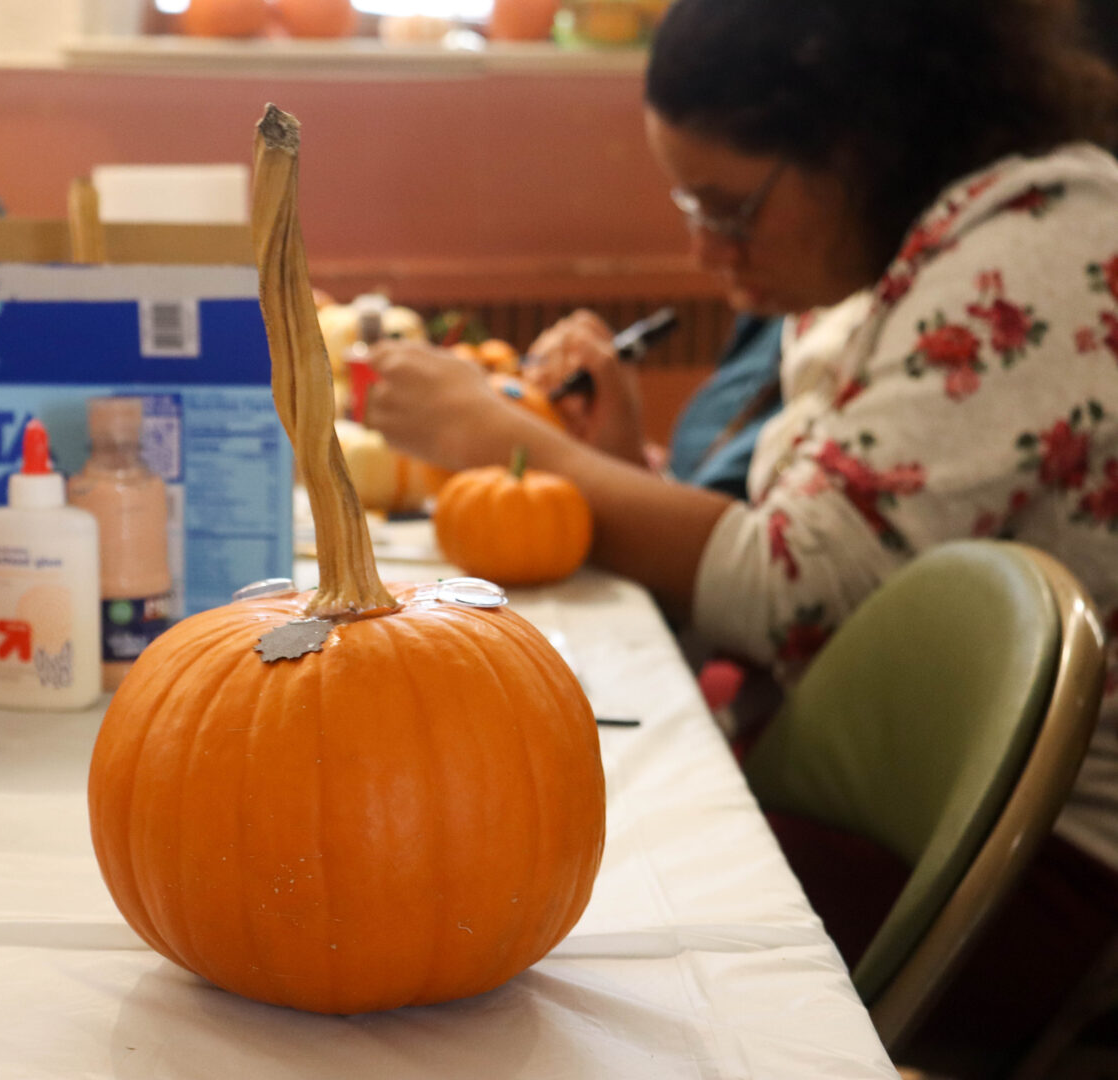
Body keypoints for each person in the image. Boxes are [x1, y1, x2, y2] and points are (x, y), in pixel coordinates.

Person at [363, 0, 1118, 1069]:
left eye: (729, 208)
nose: (705, 249)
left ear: (863, 140)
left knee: (503, 897)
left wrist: (515, 443)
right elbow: (815, 540)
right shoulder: (902, 250)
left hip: (1024, 870)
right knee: (492, 844)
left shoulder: (1044, 245)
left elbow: (791, 584)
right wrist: (621, 468)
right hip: (867, 791)